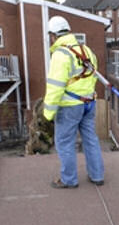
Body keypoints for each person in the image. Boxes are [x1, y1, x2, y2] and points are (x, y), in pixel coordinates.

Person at [43, 16, 104, 188]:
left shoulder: (60, 54)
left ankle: (69, 179)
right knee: (90, 139)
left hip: (70, 106)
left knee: (64, 142)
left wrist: (48, 113)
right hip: (89, 103)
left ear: (53, 35)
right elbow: (92, 78)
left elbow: (55, 86)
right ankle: (97, 176)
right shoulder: (87, 51)